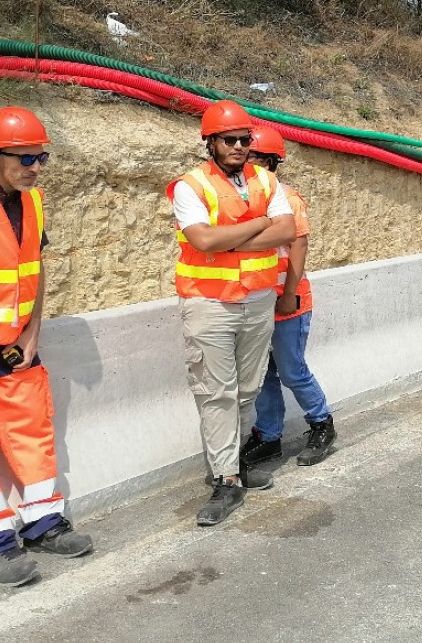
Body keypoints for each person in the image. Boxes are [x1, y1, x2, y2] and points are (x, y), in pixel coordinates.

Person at [0, 107, 93, 587]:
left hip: (14, 343)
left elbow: (35, 268)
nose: (35, 167)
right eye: (24, 158)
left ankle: (44, 523)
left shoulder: (34, 202)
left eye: (41, 157)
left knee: (31, 430)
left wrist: (33, 331)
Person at [169, 100, 296, 527]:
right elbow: (203, 241)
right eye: (230, 140)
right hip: (210, 304)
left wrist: (232, 238)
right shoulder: (190, 186)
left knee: (247, 388)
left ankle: (234, 465)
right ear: (211, 142)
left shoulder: (265, 179)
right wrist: (258, 225)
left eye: (245, 139)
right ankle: (224, 478)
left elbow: (288, 230)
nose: (240, 146)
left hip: (257, 301)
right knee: (216, 391)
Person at [239, 125, 337, 469]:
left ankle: (321, 423)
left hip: (288, 301)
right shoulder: (247, 200)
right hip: (259, 303)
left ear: (270, 161)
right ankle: (268, 436)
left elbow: (299, 245)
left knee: (292, 370)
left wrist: (289, 294)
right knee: (264, 374)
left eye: (252, 158)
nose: (245, 164)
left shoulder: (287, 197)